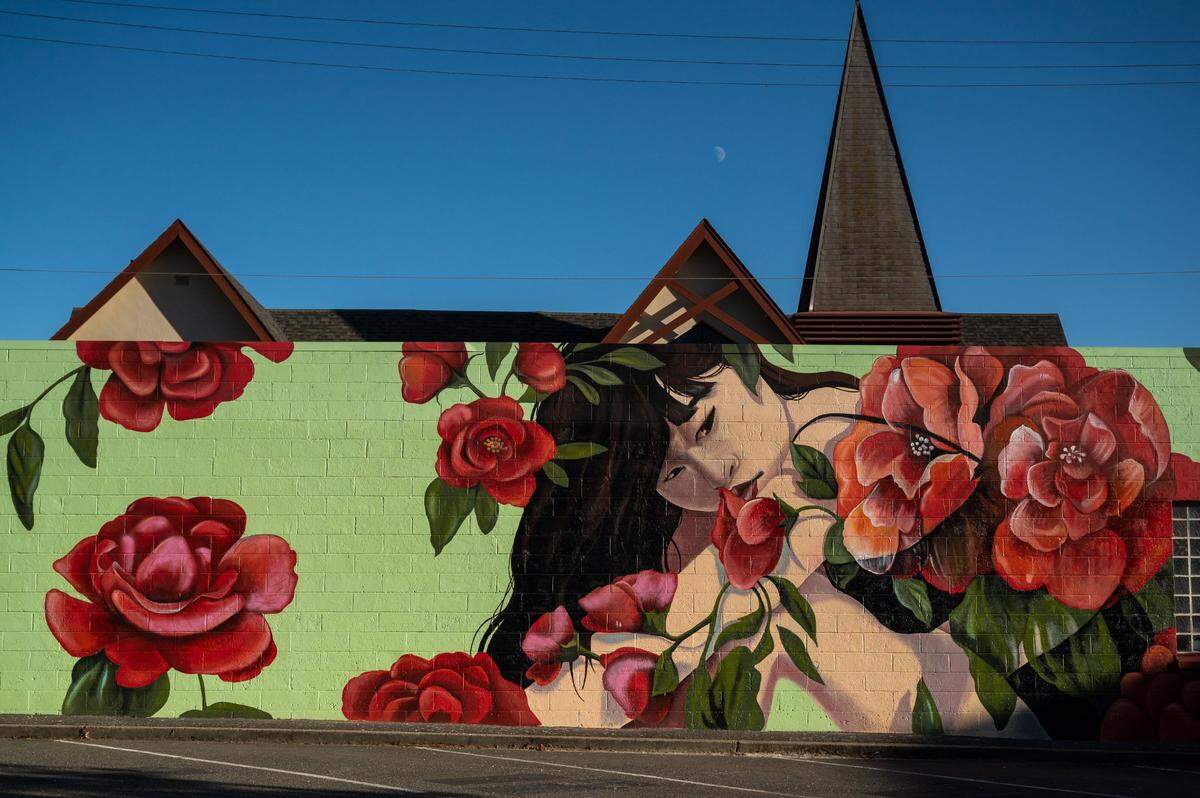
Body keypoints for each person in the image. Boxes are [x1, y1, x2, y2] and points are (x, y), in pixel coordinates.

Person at [481, 344, 1044, 736]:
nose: (711, 469)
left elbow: (754, 573)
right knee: (765, 628)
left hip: (964, 721)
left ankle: (570, 705)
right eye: (673, 476)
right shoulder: (739, 500)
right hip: (926, 726)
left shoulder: (834, 429)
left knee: (768, 619)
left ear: (742, 365)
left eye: (704, 425)